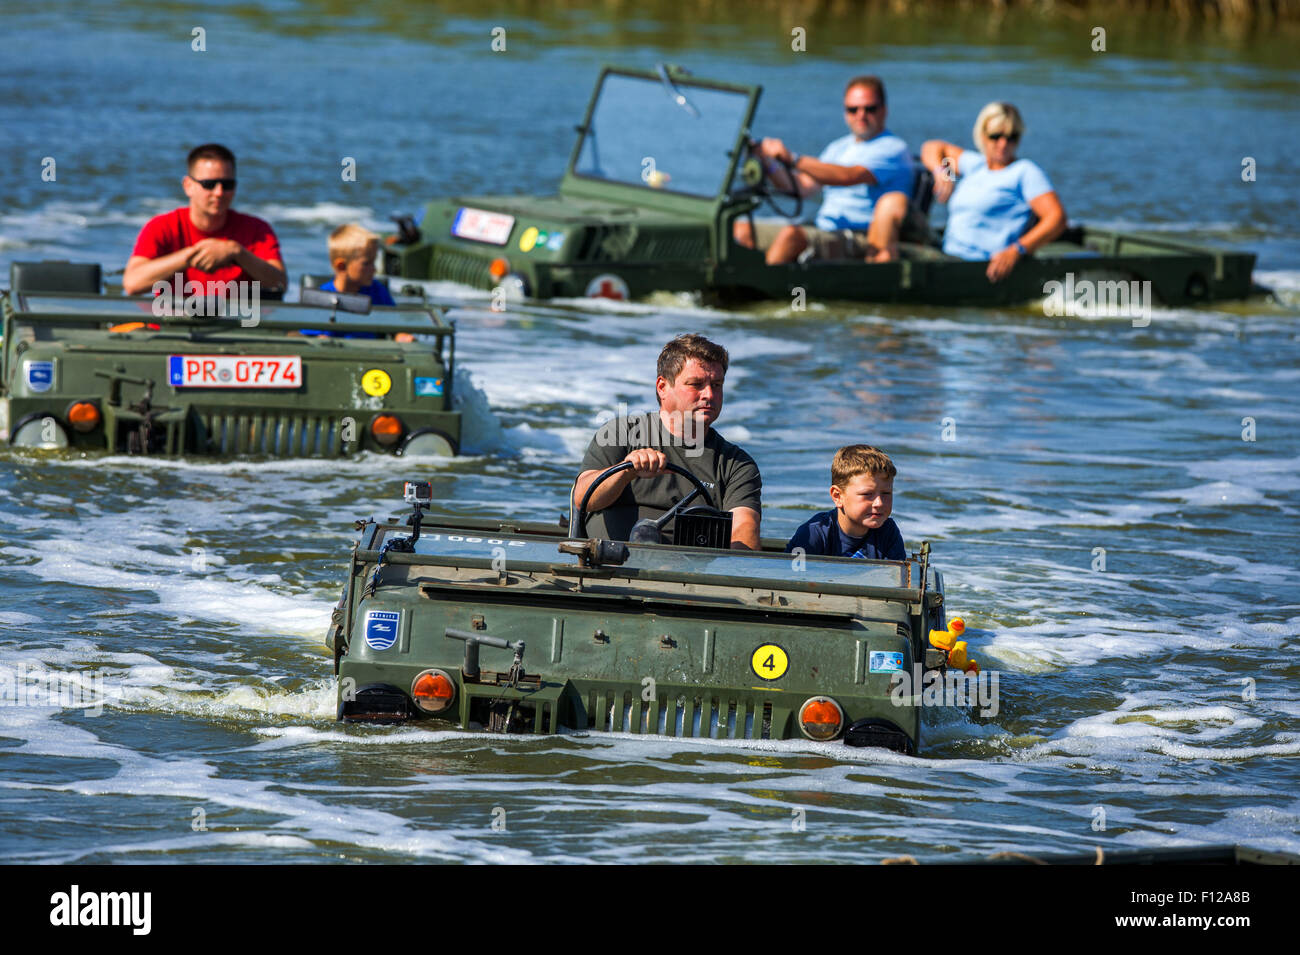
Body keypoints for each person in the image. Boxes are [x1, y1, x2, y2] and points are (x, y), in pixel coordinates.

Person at [572, 334, 761, 549]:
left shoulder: (737, 464)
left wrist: (738, 572)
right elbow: (583, 497)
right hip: (609, 572)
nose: (709, 394)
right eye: (696, 384)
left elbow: (744, 527)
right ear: (662, 387)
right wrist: (625, 472)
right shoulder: (618, 434)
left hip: (689, 577)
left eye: (717, 384)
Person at [735, 75, 924, 265]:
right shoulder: (838, 147)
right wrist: (769, 163)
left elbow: (848, 176)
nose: (861, 115)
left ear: (884, 110)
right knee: (740, 229)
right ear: (845, 113)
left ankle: (757, 291)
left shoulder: (893, 148)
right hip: (823, 227)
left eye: (870, 109)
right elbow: (801, 187)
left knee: (791, 236)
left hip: (861, 238)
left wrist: (791, 159)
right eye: (853, 109)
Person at [920, 102, 1066, 282]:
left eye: (1011, 137)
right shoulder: (976, 165)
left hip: (978, 265)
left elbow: (1056, 218)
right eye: (996, 136)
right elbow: (933, 148)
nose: (1003, 144)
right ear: (982, 136)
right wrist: (943, 172)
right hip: (947, 254)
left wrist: (1017, 250)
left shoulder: (1024, 171)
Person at [123, 143, 287, 296]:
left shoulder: (257, 230)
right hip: (171, 323)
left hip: (237, 324)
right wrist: (191, 256)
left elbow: (280, 284)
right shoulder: (161, 226)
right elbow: (132, 283)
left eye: (227, 184)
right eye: (209, 184)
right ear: (188, 186)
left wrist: (236, 252)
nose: (219, 192)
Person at [786, 445, 905, 560]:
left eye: (886, 493)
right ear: (837, 496)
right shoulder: (813, 534)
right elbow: (792, 574)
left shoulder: (888, 532)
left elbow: (896, 578)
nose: (879, 503)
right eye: (867, 494)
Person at [318, 224, 396, 305]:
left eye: (373, 262)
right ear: (341, 267)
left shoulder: (379, 292)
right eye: (366, 263)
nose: (374, 269)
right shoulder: (321, 298)